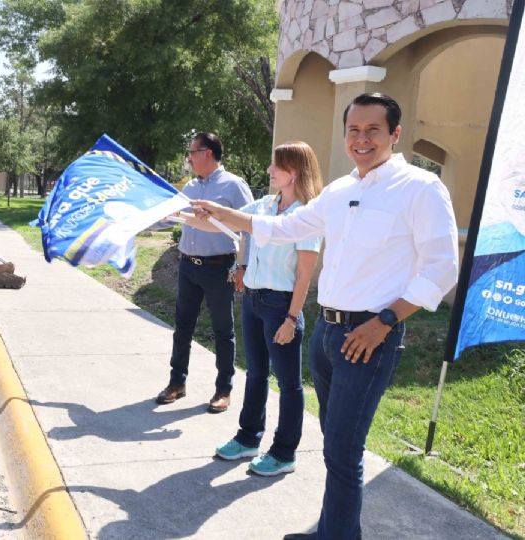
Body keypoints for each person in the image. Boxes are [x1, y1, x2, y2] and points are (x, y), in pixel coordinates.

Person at [192, 93, 459, 539]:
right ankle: (333, 531)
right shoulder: (340, 190)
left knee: (343, 449)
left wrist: (385, 322)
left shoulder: (419, 188)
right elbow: (283, 228)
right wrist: (222, 214)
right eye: (353, 130)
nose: (362, 139)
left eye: (373, 130)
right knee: (335, 447)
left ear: (395, 134)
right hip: (327, 333)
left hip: (369, 336)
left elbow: (442, 267)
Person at [184, 141, 323, 476]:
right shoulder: (263, 205)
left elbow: (305, 273)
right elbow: (230, 225)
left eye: (276, 166)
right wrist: (185, 214)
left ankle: (284, 452)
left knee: (289, 384)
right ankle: (248, 438)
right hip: (254, 300)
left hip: (281, 305)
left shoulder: (307, 216)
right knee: (256, 374)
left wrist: (292, 318)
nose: (269, 170)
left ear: (294, 172)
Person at [155, 132, 253, 413]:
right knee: (182, 327)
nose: (189, 158)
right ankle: (177, 383)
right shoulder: (190, 188)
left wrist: (242, 266)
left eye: (192, 153)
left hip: (219, 268)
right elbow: (171, 218)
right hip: (188, 266)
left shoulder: (234, 186)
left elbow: (249, 228)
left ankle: (224, 389)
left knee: (223, 331)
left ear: (207, 153)